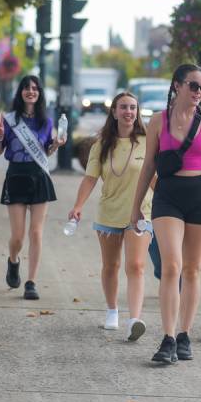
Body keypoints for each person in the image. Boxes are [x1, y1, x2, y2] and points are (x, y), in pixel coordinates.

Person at [130, 63, 201, 364]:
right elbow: (148, 166)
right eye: (194, 86)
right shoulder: (158, 121)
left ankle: (185, 334)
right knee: (171, 266)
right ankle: (168, 338)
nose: (199, 92)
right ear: (177, 86)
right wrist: (136, 206)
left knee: (192, 268)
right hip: (168, 196)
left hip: (200, 194)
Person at [68, 92, 153, 342]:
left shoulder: (148, 142)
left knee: (136, 266)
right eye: (123, 107)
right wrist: (78, 205)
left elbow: (156, 179)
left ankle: (134, 320)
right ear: (114, 112)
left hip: (140, 213)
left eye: (133, 108)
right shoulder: (100, 145)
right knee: (111, 266)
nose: (128, 112)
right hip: (109, 212)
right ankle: (112, 310)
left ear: (138, 112)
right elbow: (90, 178)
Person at [0, 75, 65, 300]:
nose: (30, 91)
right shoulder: (9, 119)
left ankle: (31, 282)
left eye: (34, 88)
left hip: (38, 175)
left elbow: (46, 152)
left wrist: (56, 145)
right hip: (16, 175)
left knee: (36, 232)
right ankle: (13, 261)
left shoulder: (47, 121)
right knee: (18, 236)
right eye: (26, 88)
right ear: (20, 92)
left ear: (40, 92)